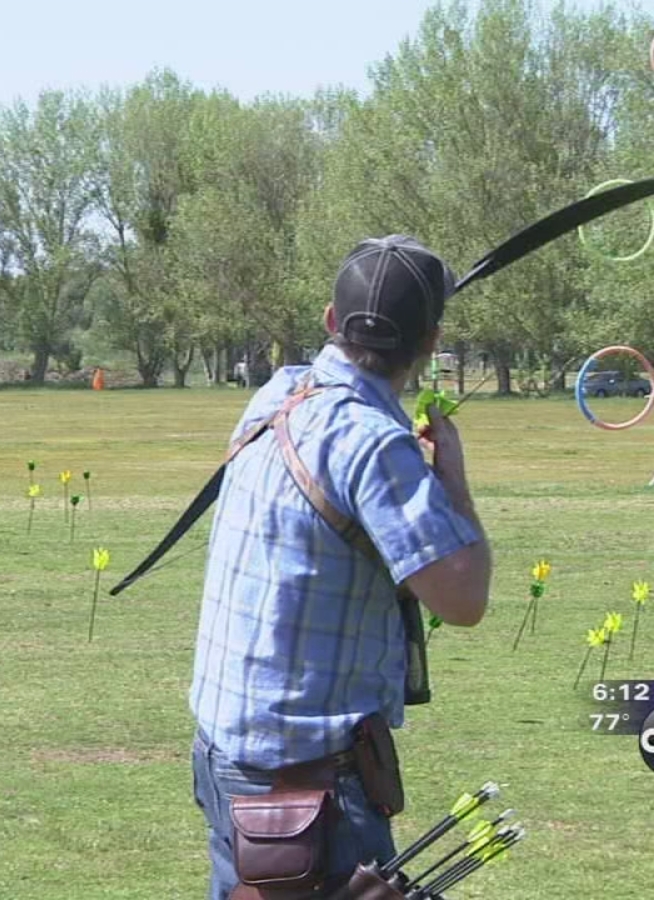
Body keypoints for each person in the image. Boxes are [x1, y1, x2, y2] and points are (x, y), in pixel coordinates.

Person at [189, 235, 494, 899]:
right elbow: (464, 598)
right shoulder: (374, 444)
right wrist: (452, 480)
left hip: (225, 755)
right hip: (306, 787)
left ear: (332, 320)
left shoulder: (276, 395)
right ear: (432, 342)